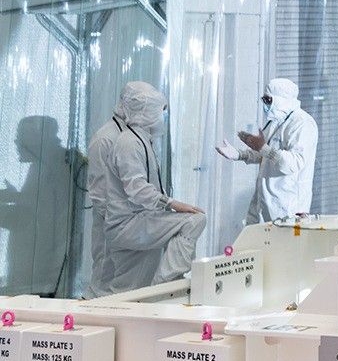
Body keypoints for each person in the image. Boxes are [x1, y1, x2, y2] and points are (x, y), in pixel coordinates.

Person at [85, 82, 205, 296]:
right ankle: (164, 288)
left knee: (132, 288)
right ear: (145, 110)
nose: (162, 116)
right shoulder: (110, 140)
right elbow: (106, 193)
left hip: (138, 218)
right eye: (159, 110)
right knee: (105, 283)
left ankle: (156, 295)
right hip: (121, 222)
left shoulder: (137, 136)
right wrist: (169, 205)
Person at [216, 79, 317, 223]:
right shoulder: (275, 121)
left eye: (268, 100)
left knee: (281, 245)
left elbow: (294, 163)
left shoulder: (303, 124)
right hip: (263, 202)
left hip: (288, 207)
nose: (265, 104)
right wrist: (240, 154)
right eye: (264, 99)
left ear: (281, 100)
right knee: (252, 243)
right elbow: (265, 154)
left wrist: (263, 148)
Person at [0, 116, 73, 296]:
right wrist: (15, 196)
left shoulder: (55, 166)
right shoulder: (45, 164)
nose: (16, 142)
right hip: (36, 270)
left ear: (38, 139)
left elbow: (30, 219)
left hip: (40, 276)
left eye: (21, 136)